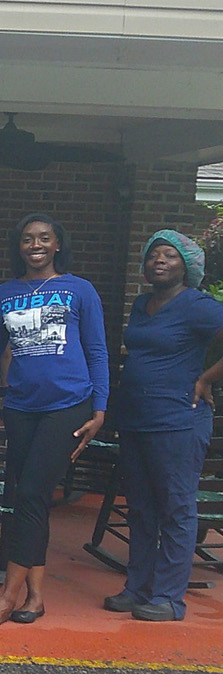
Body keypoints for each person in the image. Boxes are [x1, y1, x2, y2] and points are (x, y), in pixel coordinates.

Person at [0, 214, 108, 626]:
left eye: (44, 238)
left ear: (57, 244)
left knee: (32, 494)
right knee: (28, 498)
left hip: (68, 405)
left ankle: (8, 597)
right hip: (21, 407)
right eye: (27, 239)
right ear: (18, 247)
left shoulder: (79, 290)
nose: (35, 245)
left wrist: (100, 409)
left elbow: (97, 351)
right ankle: (35, 598)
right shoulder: (5, 293)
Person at [105, 230, 223, 622]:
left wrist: (206, 378)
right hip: (137, 420)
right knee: (140, 509)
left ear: (187, 266)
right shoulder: (143, 304)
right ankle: (137, 587)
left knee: (176, 508)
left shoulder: (198, 305)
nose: (159, 261)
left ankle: (169, 598)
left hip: (178, 421)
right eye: (154, 254)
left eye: (170, 255)